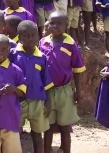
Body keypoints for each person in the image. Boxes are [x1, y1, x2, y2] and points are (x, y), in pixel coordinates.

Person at [40, 12, 86, 153]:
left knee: (65, 127)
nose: (54, 26)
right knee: (48, 126)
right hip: (47, 91)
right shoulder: (43, 42)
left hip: (65, 91)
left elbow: (77, 69)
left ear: (66, 26)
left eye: (59, 23)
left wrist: (78, 90)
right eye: (52, 22)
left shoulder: (70, 44)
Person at [10, 20, 53, 153]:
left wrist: (48, 100)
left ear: (38, 36)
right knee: (15, 132)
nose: (30, 39)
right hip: (18, 101)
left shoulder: (42, 57)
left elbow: (46, 81)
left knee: (37, 133)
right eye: (26, 36)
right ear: (19, 37)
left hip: (37, 101)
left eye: (33, 35)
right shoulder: (12, 54)